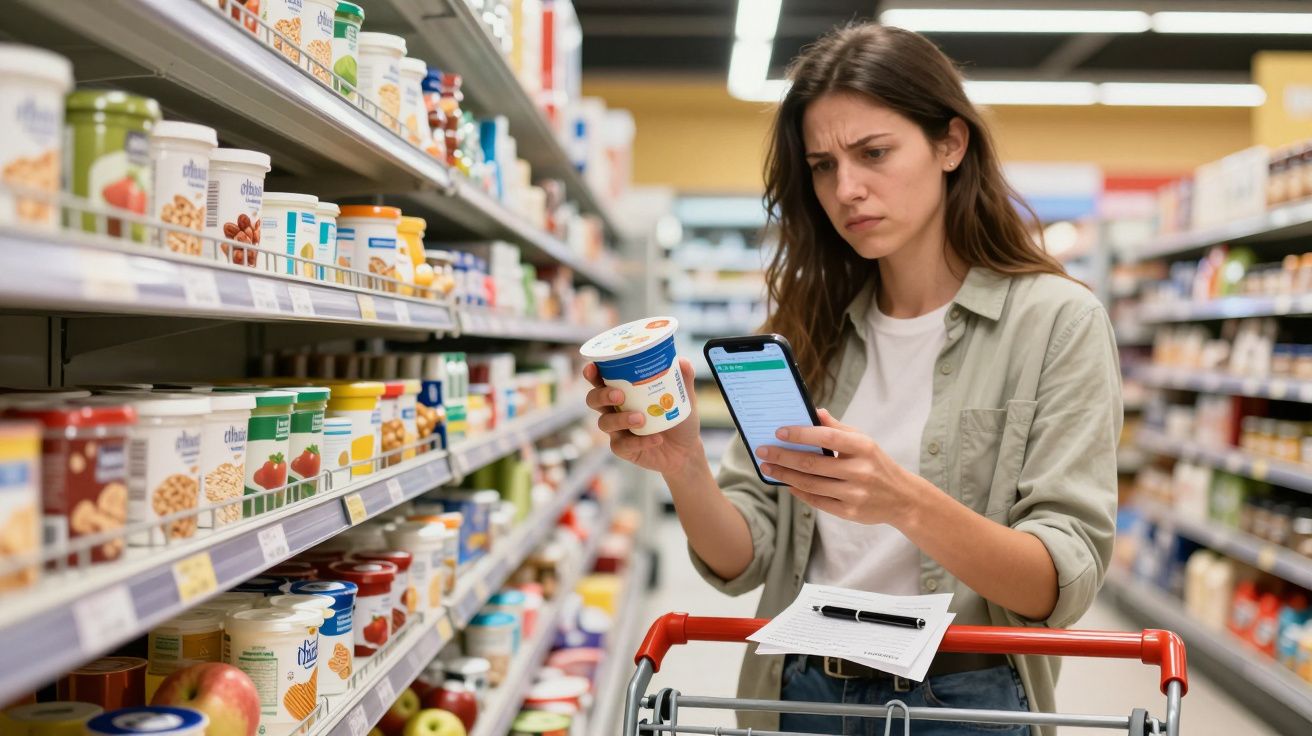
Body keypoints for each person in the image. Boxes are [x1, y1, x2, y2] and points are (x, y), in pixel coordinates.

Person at [584, 22, 1120, 736]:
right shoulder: (812, 323)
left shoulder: (1058, 322)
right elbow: (744, 562)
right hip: (798, 689)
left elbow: (1061, 582)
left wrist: (904, 501)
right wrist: (684, 468)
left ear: (950, 144)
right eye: (822, 165)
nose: (848, 189)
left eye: (873, 153)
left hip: (965, 698)